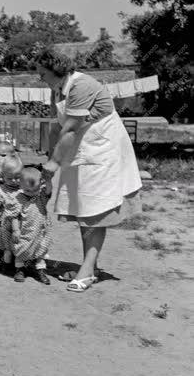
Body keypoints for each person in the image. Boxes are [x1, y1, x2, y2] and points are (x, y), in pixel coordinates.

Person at [35, 48, 142, 292]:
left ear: (57, 70)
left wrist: (52, 168)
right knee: (84, 210)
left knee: (95, 212)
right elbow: (56, 129)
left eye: (43, 74)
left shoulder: (82, 86)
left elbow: (71, 130)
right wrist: (50, 159)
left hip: (102, 150)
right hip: (81, 150)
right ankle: (89, 267)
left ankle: (87, 270)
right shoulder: (57, 91)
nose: (40, 79)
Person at [10, 167, 52, 284]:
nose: (32, 193)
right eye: (28, 190)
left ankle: (41, 270)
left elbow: (48, 191)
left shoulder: (41, 197)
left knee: (41, 251)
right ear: (20, 185)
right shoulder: (18, 199)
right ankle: (20, 269)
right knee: (21, 250)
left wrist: (48, 180)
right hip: (24, 231)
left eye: (35, 190)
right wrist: (15, 230)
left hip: (40, 232)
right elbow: (14, 215)